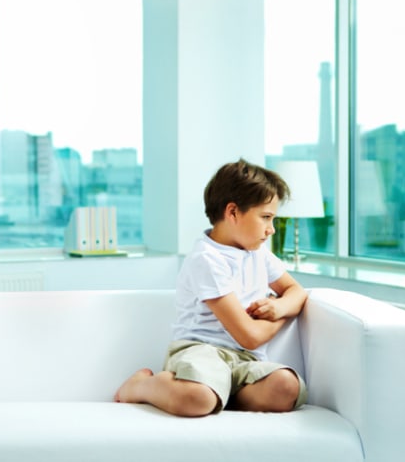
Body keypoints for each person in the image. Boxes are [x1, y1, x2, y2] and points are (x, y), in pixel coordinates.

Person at [115, 159, 308, 416]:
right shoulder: (206, 259)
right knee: (197, 397)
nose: (271, 229)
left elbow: (297, 292)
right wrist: (280, 314)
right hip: (201, 352)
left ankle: (219, 395)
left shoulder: (258, 253)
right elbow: (248, 336)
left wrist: (279, 304)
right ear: (233, 212)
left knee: (286, 387)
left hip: (245, 360)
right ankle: (141, 387)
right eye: (265, 217)